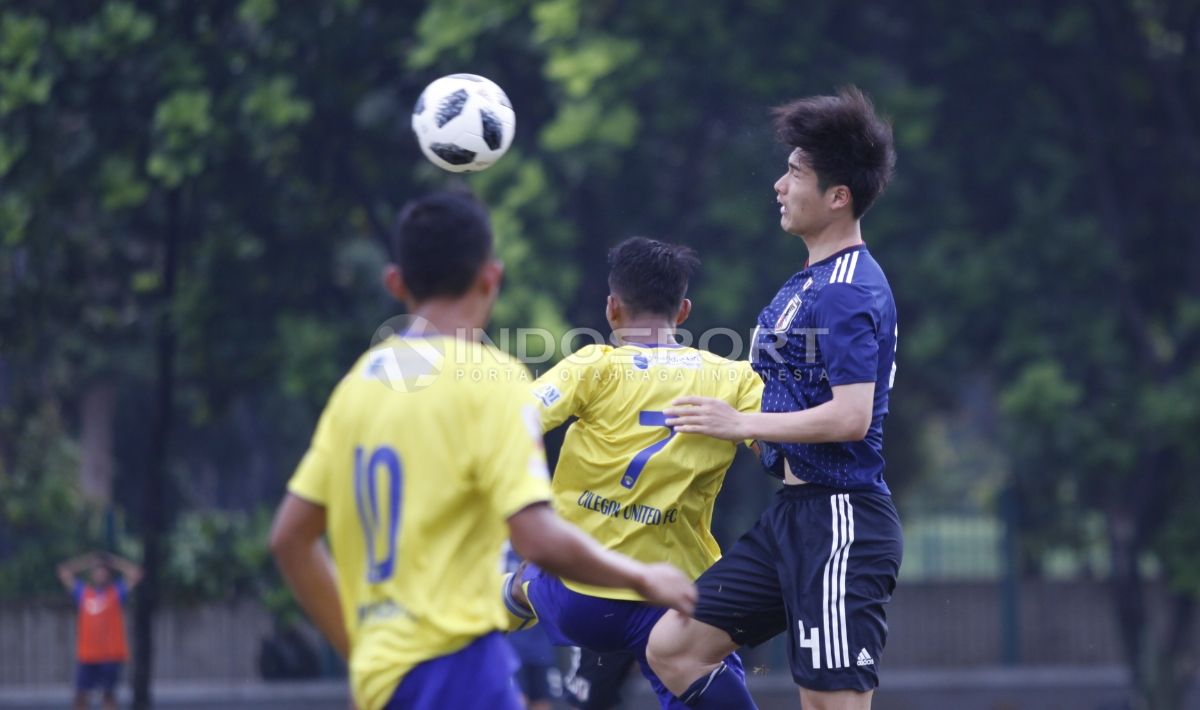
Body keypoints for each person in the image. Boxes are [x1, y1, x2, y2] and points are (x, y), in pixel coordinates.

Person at [268, 191, 697, 710]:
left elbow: (291, 538)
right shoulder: (491, 379)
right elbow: (537, 538)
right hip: (458, 665)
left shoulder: (359, 382)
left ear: (396, 283)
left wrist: (363, 651)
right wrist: (642, 576)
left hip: (380, 681)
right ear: (490, 277)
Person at [645, 86, 903, 710]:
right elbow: (779, 386)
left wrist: (741, 424)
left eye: (795, 173)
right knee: (674, 646)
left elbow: (851, 416)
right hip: (792, 517)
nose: (779, 186)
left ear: (838, 197)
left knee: (827, 704)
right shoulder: (805, 282)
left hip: (841, 522)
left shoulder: (845, 289)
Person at [503, 237, 763, 709]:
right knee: (706, 675)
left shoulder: (592, 366)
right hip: (678, 598)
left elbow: (511, 425)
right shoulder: (735, 377)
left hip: (582, 597)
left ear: (612, 309)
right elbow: (780, 454)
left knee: (536, 576)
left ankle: (522, 590)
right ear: (683, 311)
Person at [57, 551, 143, 710]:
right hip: (88, 655)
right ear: (92, 573)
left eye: (103, 570)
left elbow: (136, 574)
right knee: (80, 696)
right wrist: (88, 561)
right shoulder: (83, 593)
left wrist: (114, 562)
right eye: (97, 570)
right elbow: (64, 572)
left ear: (108, 574)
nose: (100, 573)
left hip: (110, 655)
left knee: (108, 695)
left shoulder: (116, 593)